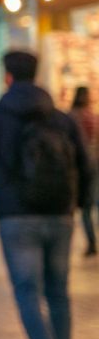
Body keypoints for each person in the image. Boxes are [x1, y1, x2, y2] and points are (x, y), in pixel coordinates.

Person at [0, 51, 94, 339]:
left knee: (27, 292)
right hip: (60, 213)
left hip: (15, 215)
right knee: (58, 292)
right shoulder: (62, 117)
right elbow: (85, 163)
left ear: (8, 76)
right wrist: (77, 203)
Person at [71, 86, 99, 257]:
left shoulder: (71, 118)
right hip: (95, 163)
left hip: (79, 167)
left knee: (86, 206)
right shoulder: (94, 118)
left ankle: (91, 242)